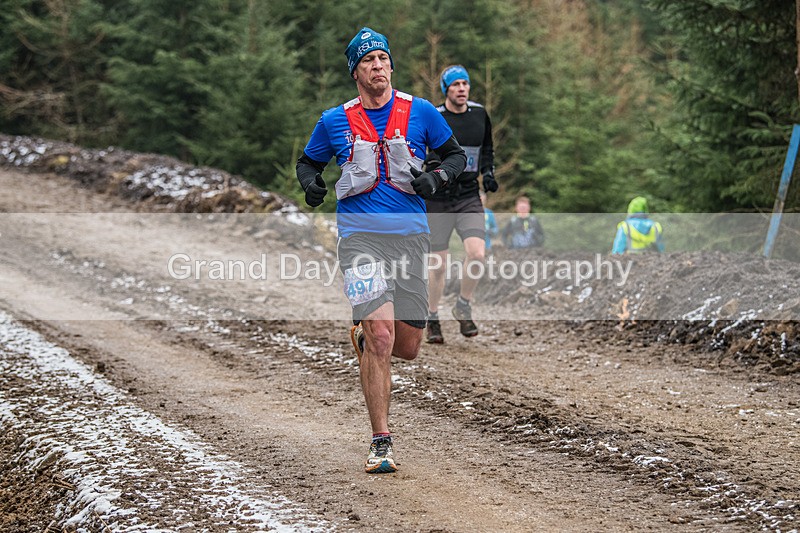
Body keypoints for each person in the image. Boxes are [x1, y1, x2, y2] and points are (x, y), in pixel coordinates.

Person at [295, 27, 466, 474]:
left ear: (391, 65)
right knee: (382, 337)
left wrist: (436, 179)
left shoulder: (420, 111)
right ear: (355, 72)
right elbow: (308, 161)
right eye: (368, 60)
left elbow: (456, 157)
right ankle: (381, 441)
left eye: (383, 59)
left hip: (410, 238)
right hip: (360, 240)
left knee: (407, 346)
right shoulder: (334, 120)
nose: (377, 66)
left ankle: (364, 337)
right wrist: (311, 184)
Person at [424, 65, 499, 344]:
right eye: (455, 84)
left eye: (465, 84)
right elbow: (421, 151)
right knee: (438, 265)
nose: (461, 89)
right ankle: (432, 317)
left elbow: (487, 148)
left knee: (477, 254)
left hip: (468, 194)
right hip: (439, 198)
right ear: (446, 90)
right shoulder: (435, 116)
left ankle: (463, 305)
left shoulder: (479, 114)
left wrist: (488, 173)